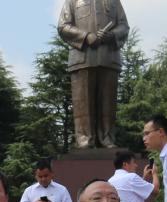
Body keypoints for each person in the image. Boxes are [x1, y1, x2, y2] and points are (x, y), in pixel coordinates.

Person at [56, 0, 130, 149]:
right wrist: (85, 36)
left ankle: (107, 138)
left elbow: (124, 26)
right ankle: (84, 140)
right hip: (82, 58)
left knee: (108, 103)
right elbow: (63, 26)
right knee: (83, 103)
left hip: (109, 58)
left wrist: (112, 35)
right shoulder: (72, 1)